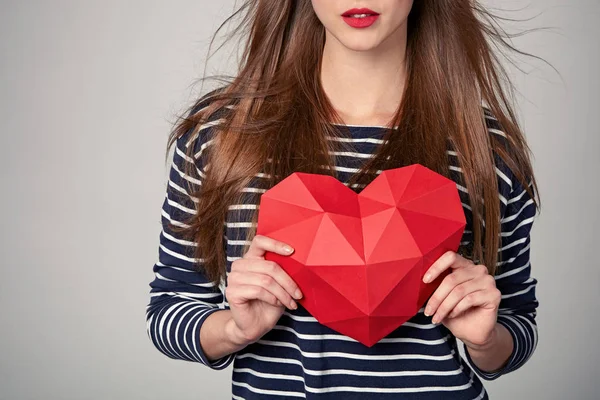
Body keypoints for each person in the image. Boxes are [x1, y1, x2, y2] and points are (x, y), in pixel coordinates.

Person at [146, 1, 540, 398]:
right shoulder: (223, 135)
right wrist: (234, 329)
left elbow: (517, 325)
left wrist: (486, 340)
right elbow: (170, 308)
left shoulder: (484, 146)